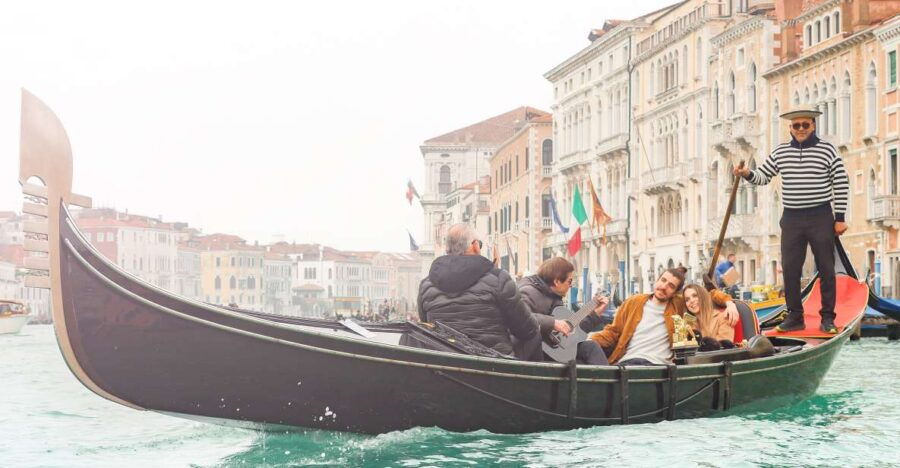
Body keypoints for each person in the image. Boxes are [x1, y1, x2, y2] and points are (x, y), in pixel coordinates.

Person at [734, 107, 849, 334]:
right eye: (796, 125)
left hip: (820, 215)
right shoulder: (781, 152)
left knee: (826, 268)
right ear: (790, 128)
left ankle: (827, 318)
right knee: (790, 269)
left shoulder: (827, 150)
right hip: (791, 217)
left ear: (813, 126)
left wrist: (840, 218)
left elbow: (840, 182)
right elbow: (763, 177)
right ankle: (795, 316)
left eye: (805, 125)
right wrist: (747, 173)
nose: (801, 129)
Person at [417, 223, 541, 360]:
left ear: (447, 249)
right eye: (480, 244)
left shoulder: (426, 284)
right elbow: (526, 329)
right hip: (493, 364)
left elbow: (425, 323)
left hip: (444, 362)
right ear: (475, 245)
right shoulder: (498, 279)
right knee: (535, 333)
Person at [518, 257, 610, 365]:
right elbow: (520, 318)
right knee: (586, 354)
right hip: (532, 355)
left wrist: (595, 314)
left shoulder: (554, 297)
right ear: (557, 281)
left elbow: (570, 330)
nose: (571, 285)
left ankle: (604, 376)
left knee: (590, 347)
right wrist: (553, 323)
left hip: (550, 351)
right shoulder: (528, 292)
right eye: (569, 281)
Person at [589, 267, 689, 366]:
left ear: (675, 293)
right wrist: (591, 340)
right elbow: (613, 332)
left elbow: (694, 301)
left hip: (658, 366)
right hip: (627, 362)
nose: (663, 287)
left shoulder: (678, 307)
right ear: (657, 280)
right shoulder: (633, 302)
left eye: (671, 286)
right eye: (663, 280)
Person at [683, 284, 736, 349]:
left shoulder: (723, 317)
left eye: (695, 296)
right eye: (687, 299)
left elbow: (723, 349)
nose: (691, 301)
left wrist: (730, 303)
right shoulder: (688, 325)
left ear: (703, 296)